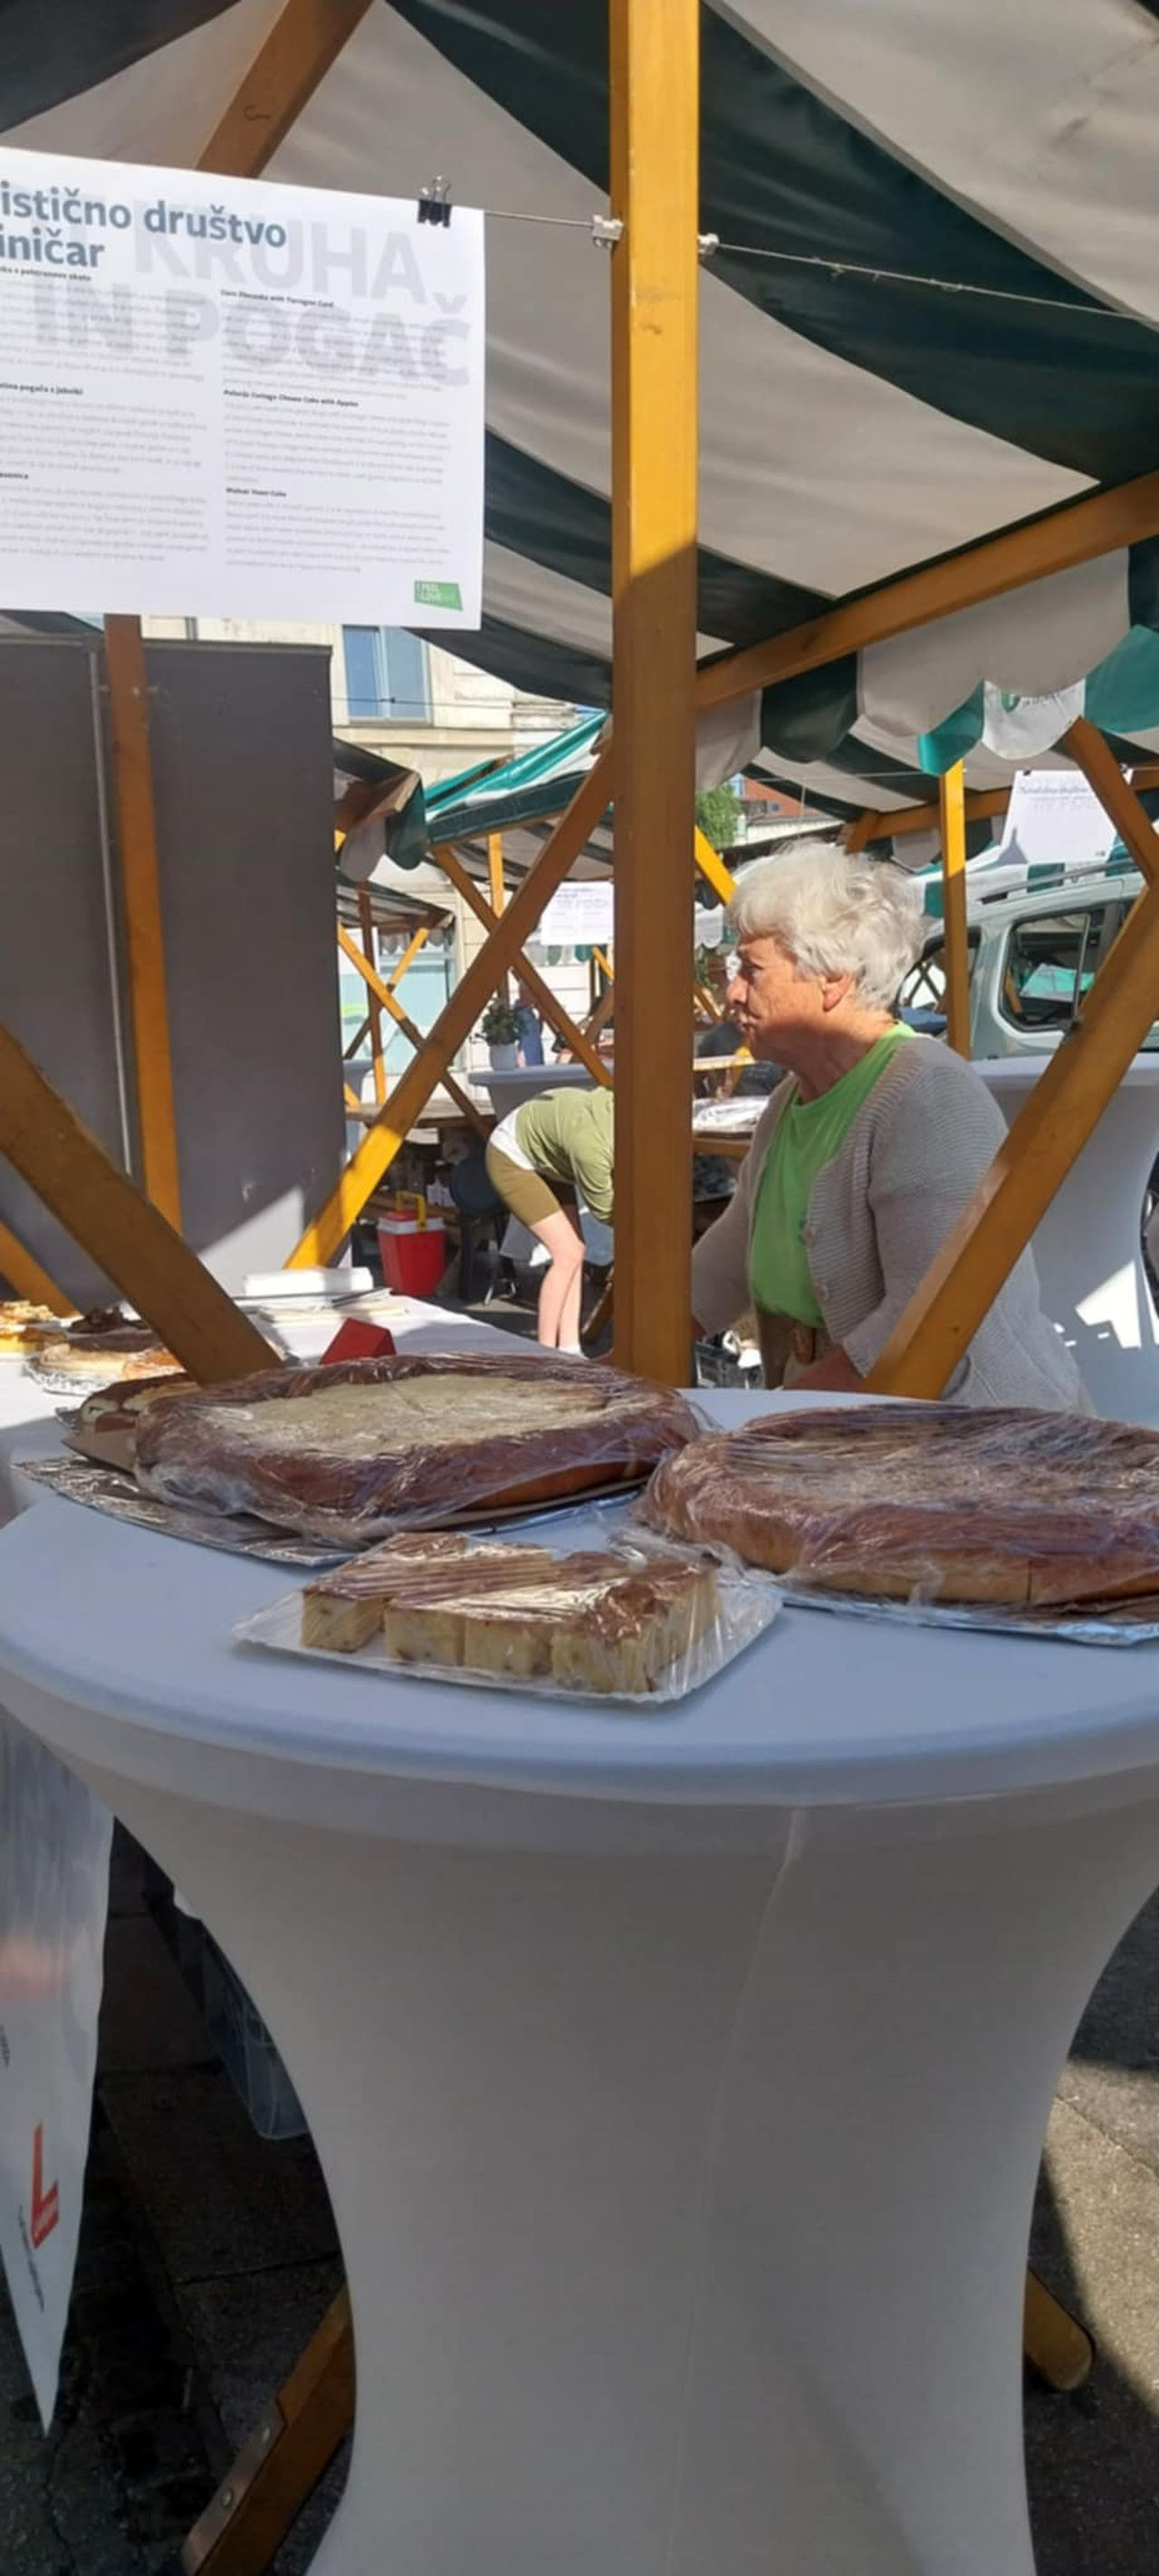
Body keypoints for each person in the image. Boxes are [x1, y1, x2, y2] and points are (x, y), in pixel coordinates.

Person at [693, 843, 1087, 1408]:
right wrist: (615, 1368)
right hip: (848, 1422)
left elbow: (926, 1320)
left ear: (832, 979)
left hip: (977, 1431)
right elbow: (729, 1256)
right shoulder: (788, 1101)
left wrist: (772, 1418)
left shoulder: (927, 1093)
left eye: (751, 970)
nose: (732, 992)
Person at [486, 1083, 613, 1351]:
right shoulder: (593, 1150)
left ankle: (570, 1349)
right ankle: (542, 1355)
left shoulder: (615, 1114)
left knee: (576, 1250)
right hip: (510, 1156)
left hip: (551, 1153)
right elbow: (607, 1211)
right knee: (567, 1253)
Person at [512, 981, 544, 1067]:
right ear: (525, 993)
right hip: (525, 1058)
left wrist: (541, 1015)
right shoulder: (517, 1012)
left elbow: (537, 1033)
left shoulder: (530, 1012)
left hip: (536, 1056)